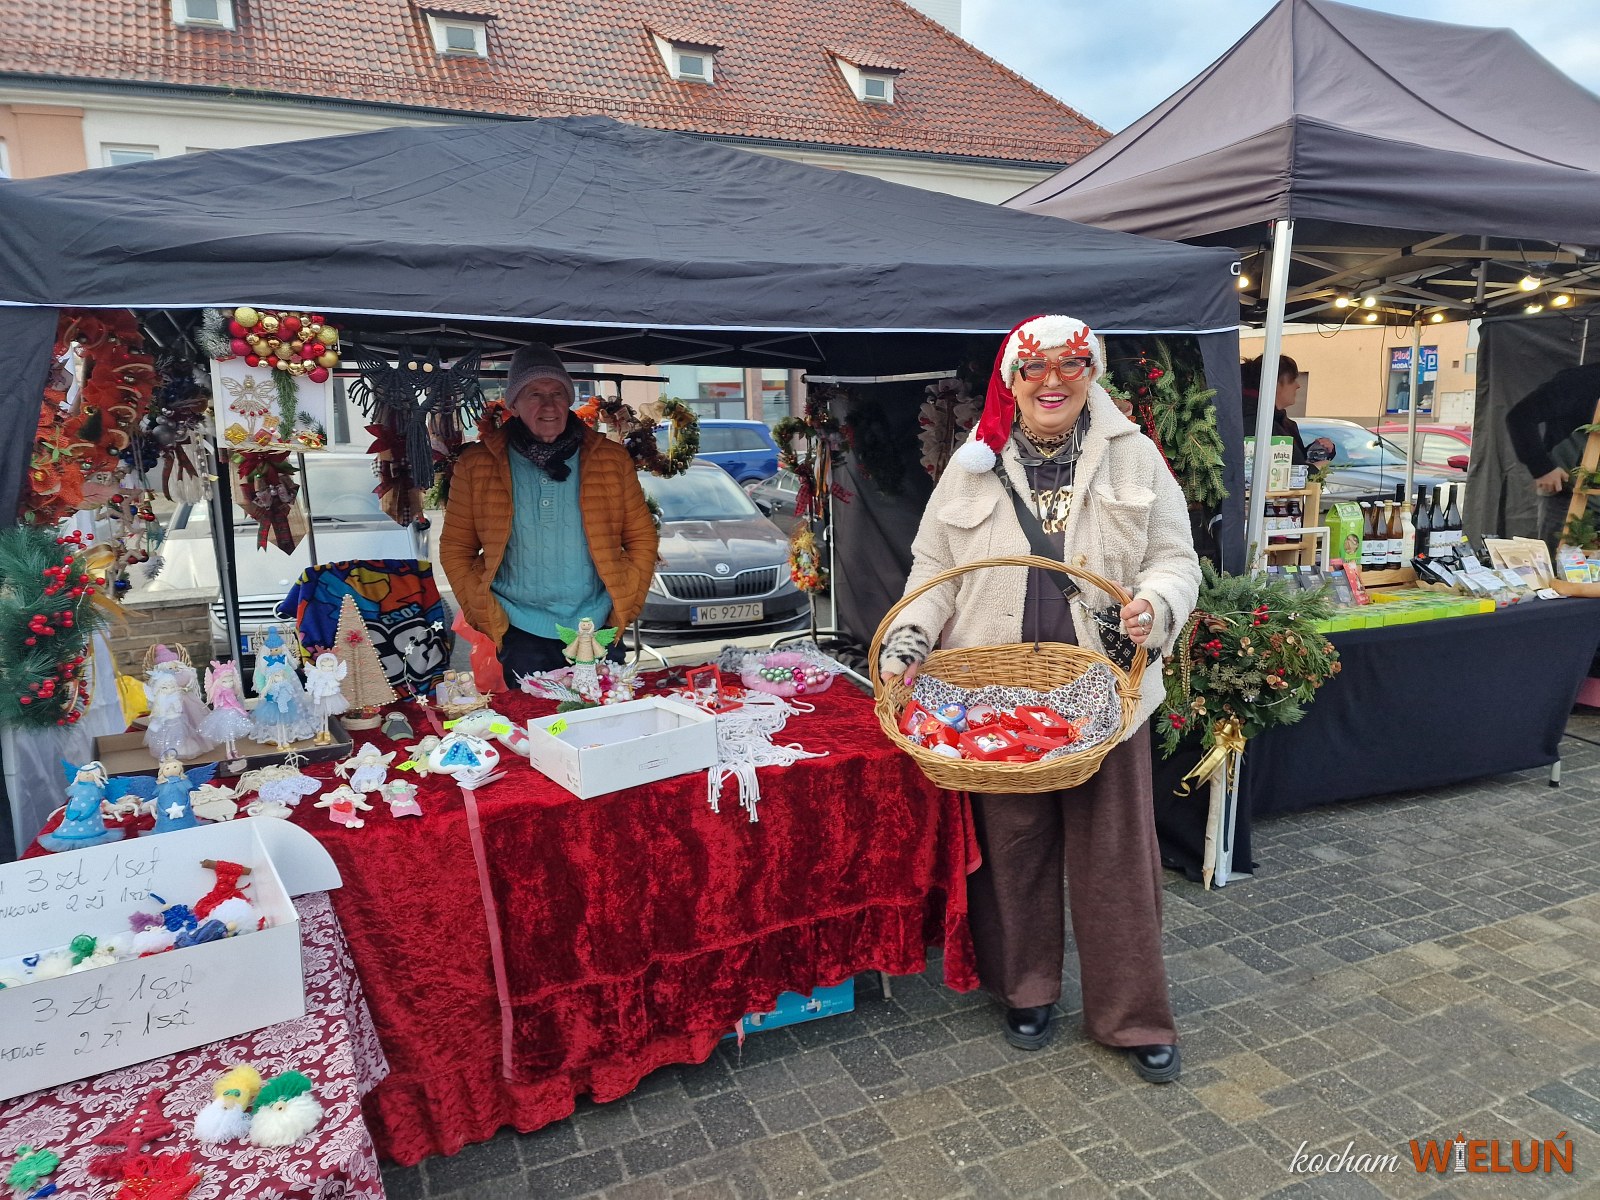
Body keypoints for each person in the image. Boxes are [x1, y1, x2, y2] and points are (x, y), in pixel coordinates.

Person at [877, 314, 1200, 1084]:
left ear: (1092, 371)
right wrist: (908, 640)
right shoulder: (973, 464)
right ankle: (1026, 989)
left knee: (1117, 862)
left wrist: (1156, 605)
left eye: (1070, 364)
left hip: (1107, 694)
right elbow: (933, 571)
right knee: (1013, 852)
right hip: (996, 697)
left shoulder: (1134, 454)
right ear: (1012, 380)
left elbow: (1176, 557)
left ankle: (1132, 1015)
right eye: (1035, 368)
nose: (1052, 381)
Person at [440, 344, 659, 679]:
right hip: (521, 630)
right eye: (535, 394)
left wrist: (628, 599)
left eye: (557, 393)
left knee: (608, 710)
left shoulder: (611, 459)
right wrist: (480, 609)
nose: (548, 405)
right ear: (513, 404)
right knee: (533, 713)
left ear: (569, 399)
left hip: (597, 624)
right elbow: (456, 548)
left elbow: (642, 537)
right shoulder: (477, 463)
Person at [1505, 362, 1600, 549]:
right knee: (1559, 562)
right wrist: (1542, 468)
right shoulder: (1581, 380)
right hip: (1570, 500)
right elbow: (1521, 415)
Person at [1240, 354, 1335, 465]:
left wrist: (1317, 450)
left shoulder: (1282, 422)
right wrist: (1314, 469)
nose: (1298, 385)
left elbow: (1293, 461)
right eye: (1292, 380)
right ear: (1274, 383)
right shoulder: (1254, 422)